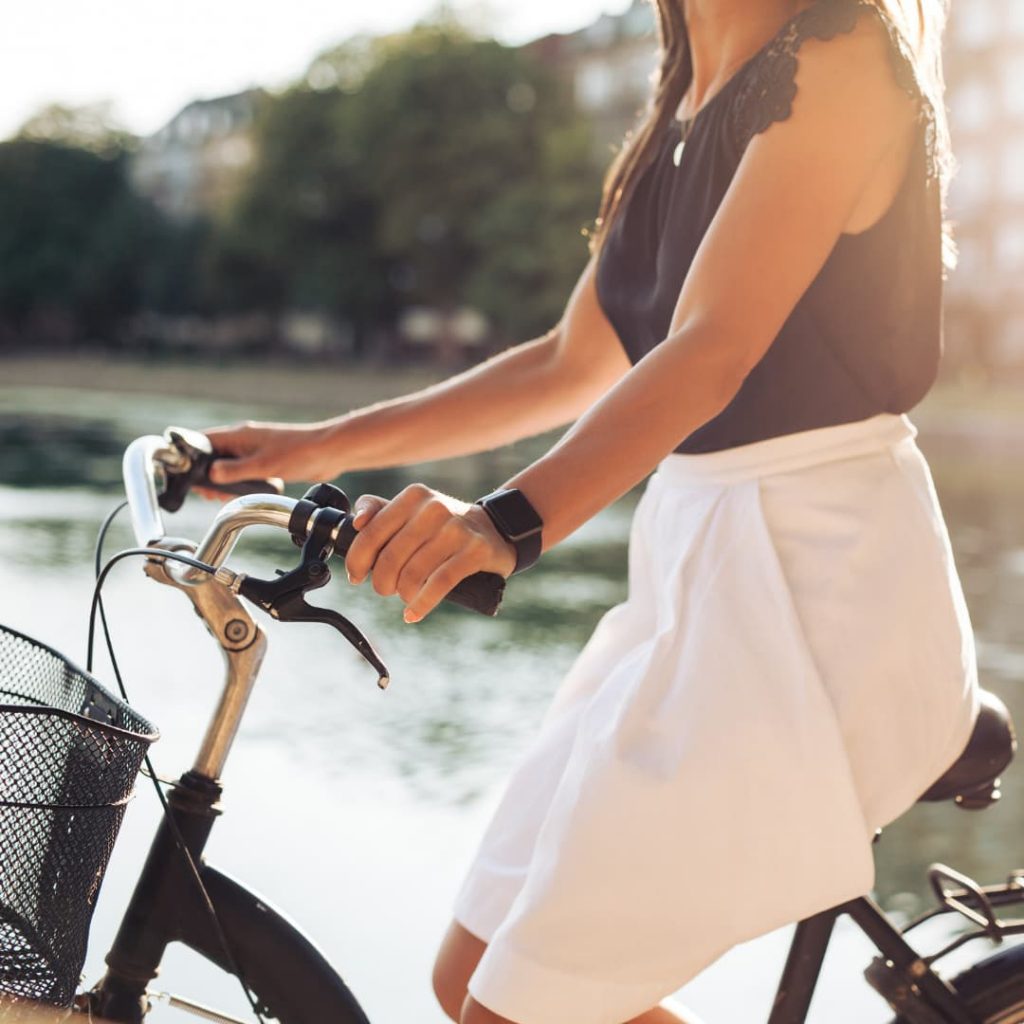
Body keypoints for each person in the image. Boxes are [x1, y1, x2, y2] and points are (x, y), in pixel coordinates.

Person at [203, 0, 979, 1021]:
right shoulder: (680, 102)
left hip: (825, 589)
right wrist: (312, 449)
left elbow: (709, 349)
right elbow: (573, 361)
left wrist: (502, 523)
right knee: (473, 980)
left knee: (517, 1010)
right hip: (694, 574)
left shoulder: (840, 55)